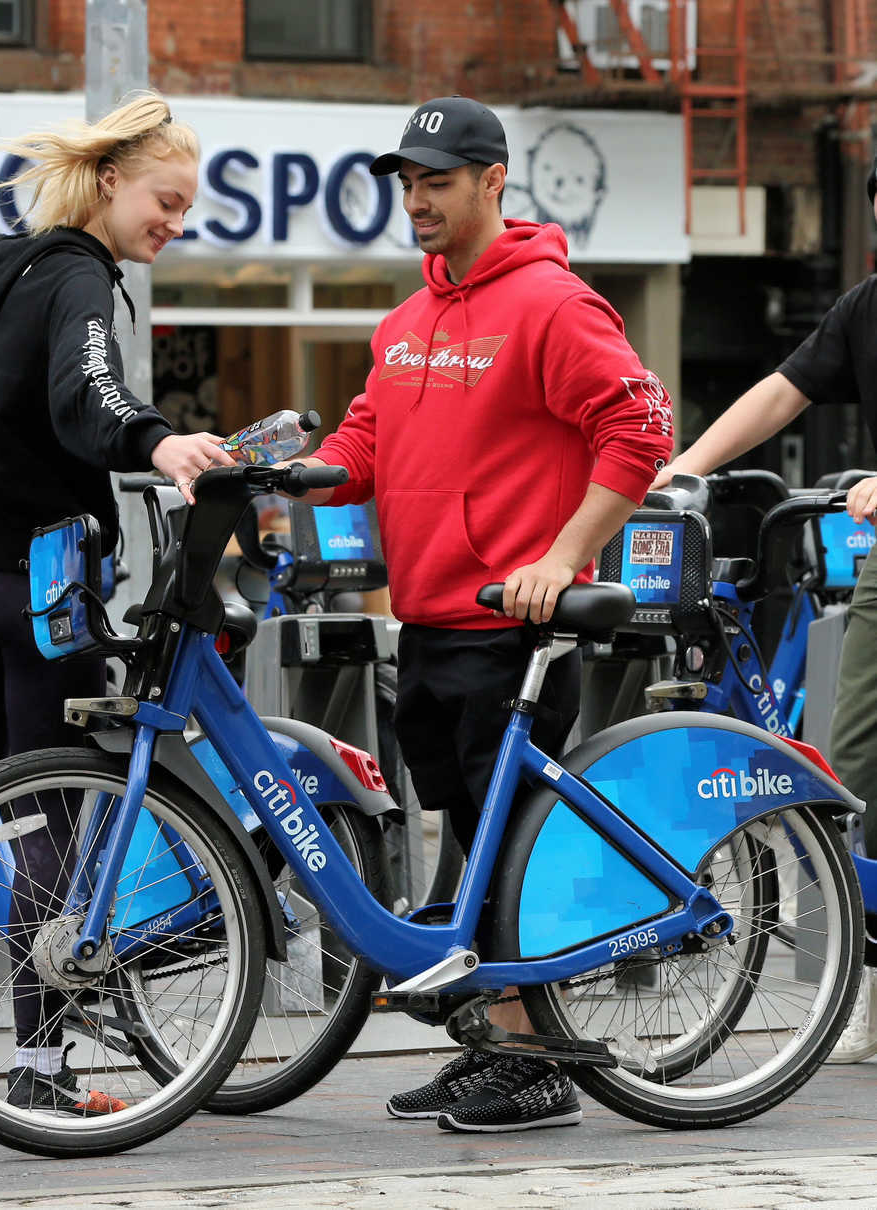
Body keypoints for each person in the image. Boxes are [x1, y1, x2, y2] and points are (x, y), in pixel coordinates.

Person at [289, 95, 673, 1133]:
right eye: (406, 184)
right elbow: (362, 447)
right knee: (466, 827)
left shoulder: (550, 304)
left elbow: (639, 428)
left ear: (492, 181)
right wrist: (277, 474)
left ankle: (537, 1065)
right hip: (426, 614)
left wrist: (563, 553)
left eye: (437, 182)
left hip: (512, 618)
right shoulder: (406, 321)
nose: (415, 201)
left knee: (503, 841)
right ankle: (495, 1038)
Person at [0, 92, 234, 1124]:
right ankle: (38, 1065)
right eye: (165, 199)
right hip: (32, 582)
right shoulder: (76, 277)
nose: (173, 221)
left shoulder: (3, 276)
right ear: (109, 182)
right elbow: (90, 394)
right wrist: (159, 443)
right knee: (47, 822)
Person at [651, 153, 877, 1065]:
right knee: (854, 767)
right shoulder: (865, 308)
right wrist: (687, 466)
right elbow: (784, 389)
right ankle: (867, 993)